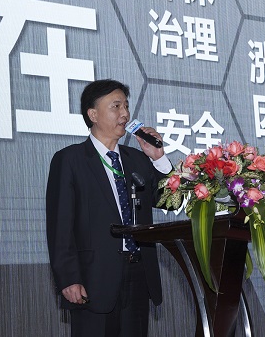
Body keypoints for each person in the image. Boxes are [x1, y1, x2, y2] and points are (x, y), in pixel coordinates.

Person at [46, 79, 171, 337]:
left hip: (138, 274)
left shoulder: (138, 159)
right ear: (93, 114)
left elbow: (169, 200)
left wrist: (159, 159)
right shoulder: (70, 160)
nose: (125, 114)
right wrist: (69, 278)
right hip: (93, 278)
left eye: (126, 106)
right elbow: (60, 225)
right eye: (116, 106)